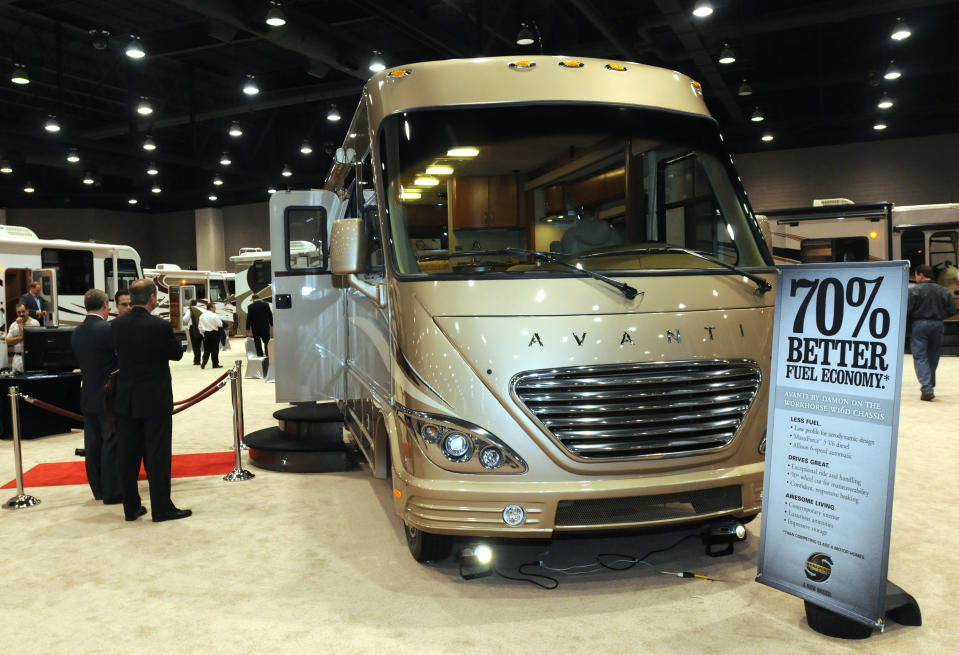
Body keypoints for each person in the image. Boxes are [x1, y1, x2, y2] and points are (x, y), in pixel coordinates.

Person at [111, 279, 190, 522]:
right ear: (153, 297)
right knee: (157, 454)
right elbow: (176, 354)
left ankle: (131, 508)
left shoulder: (116, 325)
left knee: (128, 455)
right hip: (155, 399)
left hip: (126, 398)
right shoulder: (159, 326)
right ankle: (161, 508)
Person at [71, 289, 120, 504]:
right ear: (104, 305)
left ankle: (98, 490)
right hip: (107, 395)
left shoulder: (77, 331)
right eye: (109, 306)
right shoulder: (107, 329)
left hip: (87, 393)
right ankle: (112, 492)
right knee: (110, 443)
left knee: (92, 445)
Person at [908, 264, 957, 401]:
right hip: (937, 324)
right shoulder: (943, 290)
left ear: (921, 275)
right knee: (933, 356)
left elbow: (907, 310)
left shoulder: (914, 291)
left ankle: (927, 387)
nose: (916, 277)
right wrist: (940, 315)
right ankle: (930, 384)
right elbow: (953, 310)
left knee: (920, 357)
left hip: (919, 325)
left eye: (916, 275)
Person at [5, 303, 39, 372]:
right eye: (19, 312)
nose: (21, 314)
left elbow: (28, 338)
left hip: (31, 357)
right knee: (17, 381)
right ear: (16, 313)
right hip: (17, 358)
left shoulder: (35, 323)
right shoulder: (13, 325)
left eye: (23, 311)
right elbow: (8, 341)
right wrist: (20, 338)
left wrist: (20, 325)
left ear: (27, 311)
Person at [198, 301, 223, 369]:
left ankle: (204, 361)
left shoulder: (202, 316)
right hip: (214, 333)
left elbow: (200, 326)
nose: (215, 309)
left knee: (206, 349)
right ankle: (215, 364)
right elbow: (220, 324)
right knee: (215, 349)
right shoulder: (215, 315)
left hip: (206, 334)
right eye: (214, 307)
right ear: (211, 308)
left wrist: (202, 334)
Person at [181, 299, 203, 365]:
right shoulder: (201, 309)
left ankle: (197, 360)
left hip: (193, 328)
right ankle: (202, 359)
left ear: (190, 304)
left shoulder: (190, 310)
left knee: (195, 344)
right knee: (199, 344)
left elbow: (184, 319)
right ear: (196, 303)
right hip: (201, 327)